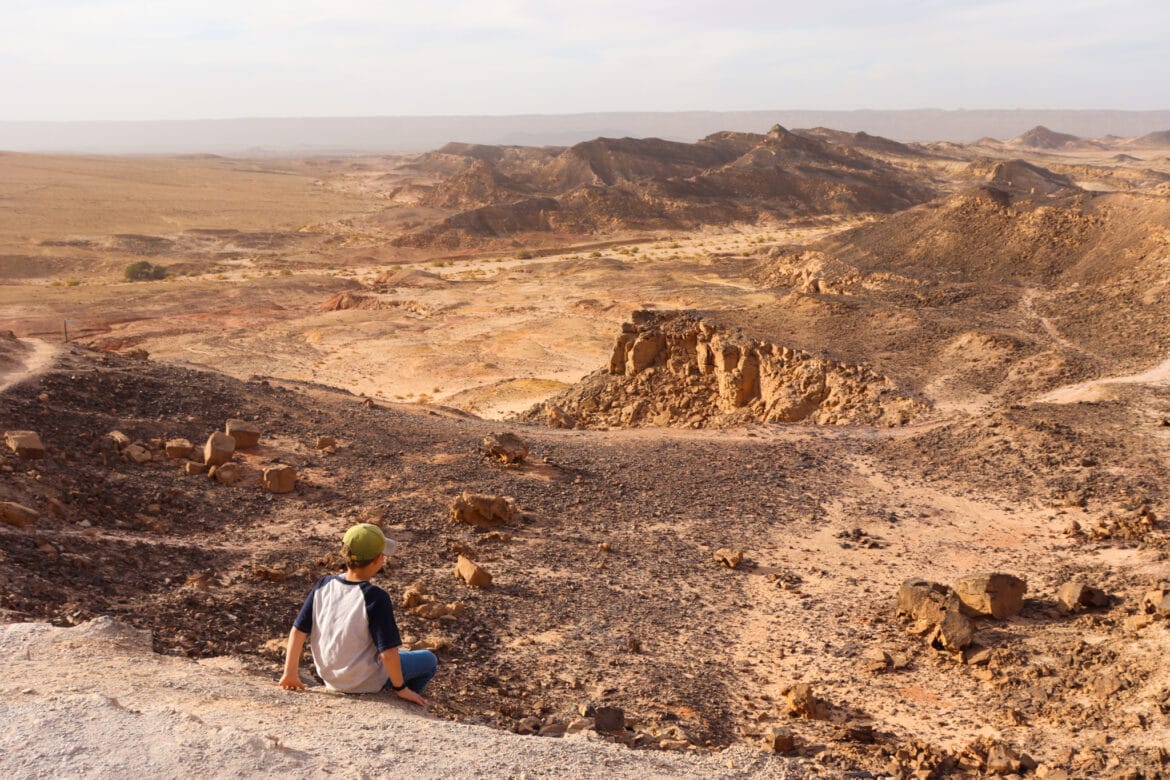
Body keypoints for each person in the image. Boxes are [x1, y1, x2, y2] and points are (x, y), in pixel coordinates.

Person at [278, 523, 436, 706]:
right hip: (364, 680)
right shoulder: (376, 597)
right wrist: (401, 688)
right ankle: (404, 697)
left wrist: (290, 673)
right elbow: (388, 653)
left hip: (330, 678)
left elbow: (298, 631)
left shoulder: (324, 584)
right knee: (428, 660)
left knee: (400, 653)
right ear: (379, 559)